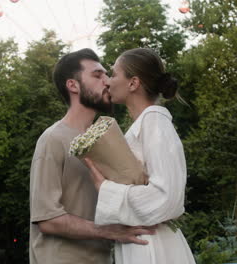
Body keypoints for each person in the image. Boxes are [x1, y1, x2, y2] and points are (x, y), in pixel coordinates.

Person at [29, 48, 157, 264]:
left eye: (107, 75)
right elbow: (47, 219)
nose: (107, 81)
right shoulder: (52, 139)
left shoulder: (110, 140)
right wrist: (109, 231)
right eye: (97, 75)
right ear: (73, 85)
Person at [84, 48, 196, 264]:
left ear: (133, 83)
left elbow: (167, 199)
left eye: (114, 74)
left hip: (153, 247)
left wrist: (105, 188)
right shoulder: (144, 126)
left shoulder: (155, 124)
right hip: (142, 243)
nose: (107, 81)